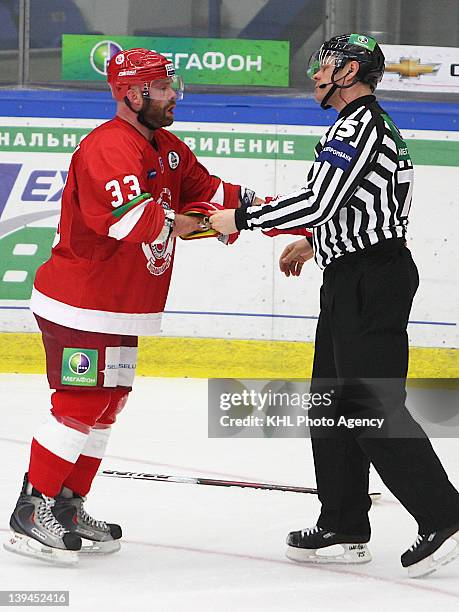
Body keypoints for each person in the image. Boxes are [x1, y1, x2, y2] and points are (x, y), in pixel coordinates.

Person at [209, 33, 459, 578]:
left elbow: (323, 200)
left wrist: (243, 217)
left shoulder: (361, 126)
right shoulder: (353, 126)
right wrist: (318, 242)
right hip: (352, 275)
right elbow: (352, 207)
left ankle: (444, 514)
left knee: (370, 405)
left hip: (374, 281)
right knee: (331, 404)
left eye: (327, 65)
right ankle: (344, 522)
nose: (317, 73)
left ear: (350, 72)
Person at [4, 48, 259, 566]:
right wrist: (193, 223)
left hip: (124, 305)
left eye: (170, 86)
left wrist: (280, 210)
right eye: (162, 88)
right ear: (132, 93)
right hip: (81, 302)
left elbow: (211, 193)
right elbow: (129, 221)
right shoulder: (107, 147)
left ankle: (67, 505)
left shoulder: (166, 147)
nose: (172, 96)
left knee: (106, 408)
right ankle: (32, 510)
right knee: (79, 404)